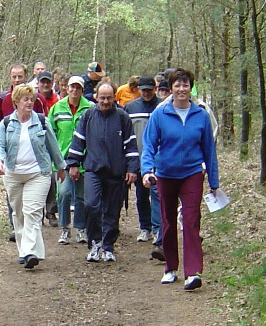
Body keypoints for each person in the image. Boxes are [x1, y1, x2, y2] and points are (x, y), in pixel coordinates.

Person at [141, 68, 219, 291]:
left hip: (192, 173)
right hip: (165, 173)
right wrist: (147, 170)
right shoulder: (160, 114)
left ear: (190, 88)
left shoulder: (200, 115)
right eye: (177, 85)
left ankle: (193, 272)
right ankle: (171, 268)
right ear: (171, 88)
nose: (182, 89)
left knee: (191, 220)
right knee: (167, 222)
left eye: (186, 85)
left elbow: (209, 150)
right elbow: (149, 145)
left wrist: (214, 181)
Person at [0, 83, 66, 269]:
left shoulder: (41, 121)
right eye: (25, 99)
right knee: (19, 213)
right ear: (16, 101)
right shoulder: (7, 123)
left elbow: (53, 146)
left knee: (32, 212)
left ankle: (29, 252)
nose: (29, 102)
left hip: (38, 173)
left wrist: (60, 167)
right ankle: (27, 250)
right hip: (13, 174)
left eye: (32, 99)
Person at [67, 81, 139, 262]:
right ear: (95, 97)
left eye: (109, 98)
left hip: (116, 172)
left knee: (112, 211)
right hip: (93, 170)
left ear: (114, 97)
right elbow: (78, 141)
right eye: (102, 98)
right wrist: (73, 164)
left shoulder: (122, 117)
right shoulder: (88, 116)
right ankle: (95, 243)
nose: (105, 101)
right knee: (91, 205)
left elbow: (131, 145)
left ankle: (108, 247)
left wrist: (132, 168)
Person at [0, 64, 49, 241]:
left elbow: (46, 127)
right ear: (9, 78)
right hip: (10, 153)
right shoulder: (3, 98)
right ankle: (15, 227)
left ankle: (34, 224)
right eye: (13, 77)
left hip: (34, 155)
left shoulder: (37, 99)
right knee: (14, 195)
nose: (17, 80)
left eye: (20, 76)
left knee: (33, 196)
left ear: (26, 76)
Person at [48, 76, 94, 245]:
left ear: (82, 90)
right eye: (71, 87)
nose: (74, 90)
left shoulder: (90, 108)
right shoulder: (57, 108)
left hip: (85, 160)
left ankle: (81, 228)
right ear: (66, 89)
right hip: (62, 160)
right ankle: (64, 228)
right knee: (64, 193)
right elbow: (50, 134)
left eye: (78, 88)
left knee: (81, 196)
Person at [124, 76, 165, 261]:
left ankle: (158, 230)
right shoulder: (131, 108)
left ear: (155, 88)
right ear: (138, 89)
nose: (147, 93)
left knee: (158, 196)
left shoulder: (163, 106)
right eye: (143, 90)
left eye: (150, 89)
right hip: (139, 159)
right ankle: (145, 227)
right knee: (141, 196)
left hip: (160, 161)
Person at [38, 71, 61, 227]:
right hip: (36, 142)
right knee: (38, 179)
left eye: (48, 82)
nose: (45, 85)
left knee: (52, 179)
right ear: (38, 83)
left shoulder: (57, 100)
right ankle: (38, 213)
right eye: (42, 82)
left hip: (53, 141)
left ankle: (51, 211)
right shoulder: (33, 98)